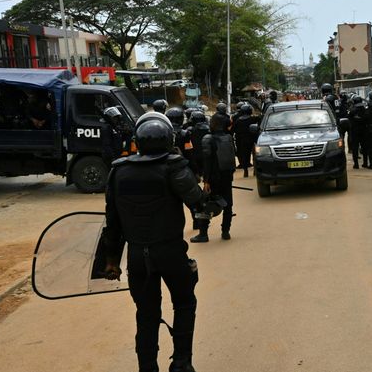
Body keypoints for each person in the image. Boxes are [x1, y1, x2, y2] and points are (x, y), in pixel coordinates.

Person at [101, 114, 207, 372]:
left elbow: (112, 224)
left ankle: (147, 368)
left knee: (145, 314)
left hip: (137, 256)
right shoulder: (174, 166)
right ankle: (182, 363)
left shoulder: (118, 171)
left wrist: (112, 261)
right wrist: (212, 203)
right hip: (171, 252)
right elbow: (199, 204)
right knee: (184, 304)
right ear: (170, 139)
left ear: (138, 141)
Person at [191, 114, 236, 243]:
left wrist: (206, 181)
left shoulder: (208, 139)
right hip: (227, 176)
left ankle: (203, 234)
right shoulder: (228, 137)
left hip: (214, 178)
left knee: (205, 204)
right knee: (228, 204)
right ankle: (225, 231)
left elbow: (207, 162)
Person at [233, 103, 258, 177]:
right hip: (253, 139)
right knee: (255, 155)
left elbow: (235, 129)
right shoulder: (253, 119)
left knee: (245, 155)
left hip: (242, 140)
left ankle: (245, 171)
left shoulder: (238, 120)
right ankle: (255, 170)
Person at [348, 96, 367, 169]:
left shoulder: (352, 111)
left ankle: (356, 164)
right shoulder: (365, 110)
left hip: (354, 132)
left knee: (355, 148)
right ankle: (365, 163)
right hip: (364, 131)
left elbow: (349, 121)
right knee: (364, 147)